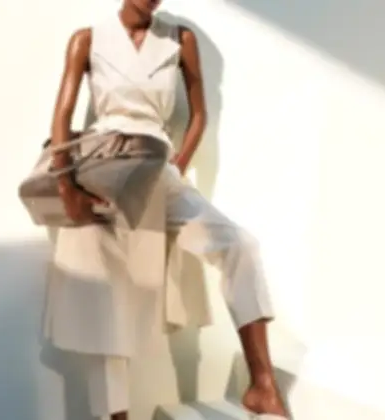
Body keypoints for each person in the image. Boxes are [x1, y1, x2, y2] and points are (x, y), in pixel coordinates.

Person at [48, 0, 290, 418]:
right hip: (103, 168)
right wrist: (66, 186)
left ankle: (262, 386)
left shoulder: (180, 39)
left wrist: (176, 167)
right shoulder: (87, 39)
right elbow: (61, 117)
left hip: (157, 166)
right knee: (107, 299)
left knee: (239, 246)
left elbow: (199, 115)